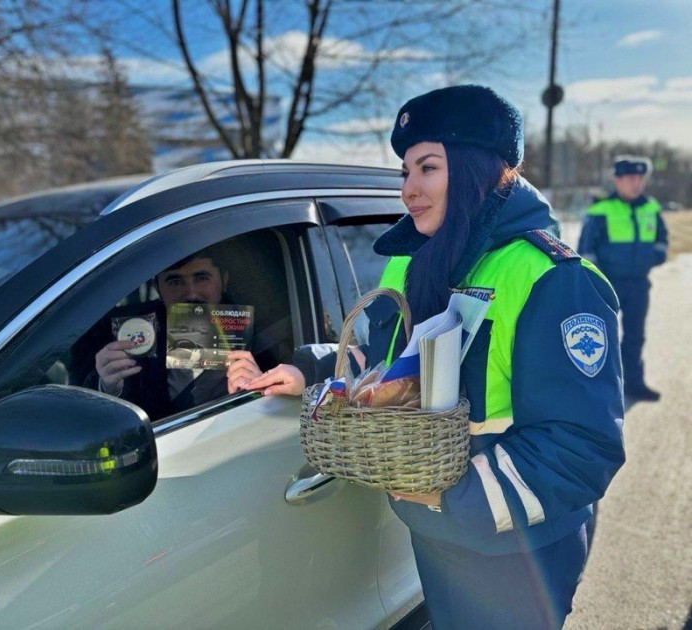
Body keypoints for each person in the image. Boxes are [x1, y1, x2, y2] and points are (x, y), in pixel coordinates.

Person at [242, 85, 626, 629]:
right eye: (404, 171)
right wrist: (311, 367)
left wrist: (453, 495)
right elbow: (389, 361)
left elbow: (583, 446)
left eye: (428, 168)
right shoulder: (413, 264)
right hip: (433, 528)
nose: (409, 190)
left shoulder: (553, 279)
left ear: (479, 170)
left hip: (516, 549)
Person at [90, 247, 265, 419]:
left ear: (224, 280)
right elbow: (95, 413)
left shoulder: (263, 333)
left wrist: (259, 386)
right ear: (158, 288)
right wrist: (108, 387)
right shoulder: (130, 330)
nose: (191, 294)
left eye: (202, 278)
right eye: (175, 282)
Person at [578, 156, 668, 401]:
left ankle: (634, 385)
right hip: (609, 284)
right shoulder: (601, 210)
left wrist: (656, 256)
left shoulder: (651, 208)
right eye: (629, 178)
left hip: (639, 283)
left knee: (635, 336)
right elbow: (586, 250)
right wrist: (596, 281)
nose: (635, 183)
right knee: (601, 337)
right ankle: (600, 391)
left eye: (640, 178)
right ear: (617, 180)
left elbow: (662, 238)